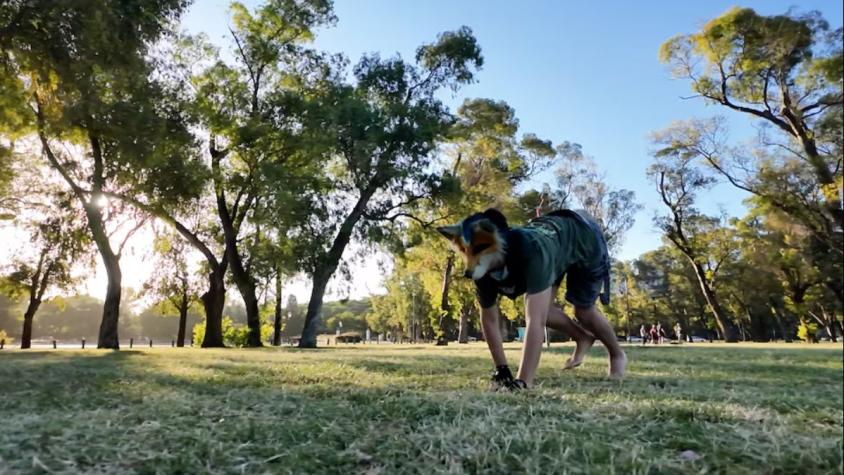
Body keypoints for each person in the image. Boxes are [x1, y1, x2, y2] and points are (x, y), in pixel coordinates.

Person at [437, 208, 627, 390]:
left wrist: (523, 381)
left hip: (583, 237)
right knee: (547, 313)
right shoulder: (482, 273)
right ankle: (582, 338)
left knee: (583, 311)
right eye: (465, 251)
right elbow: (489, 319)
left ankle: (617, 354)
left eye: (478, 251)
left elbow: (534, 321)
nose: (471, 263)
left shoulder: (532, 252)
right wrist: (502, 369)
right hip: (556, 244)